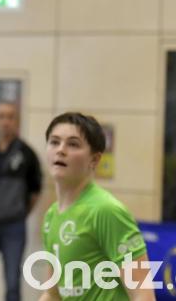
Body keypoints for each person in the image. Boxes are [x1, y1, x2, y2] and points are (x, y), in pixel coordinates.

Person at [38, 112, 155, 300]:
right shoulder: (51, 216)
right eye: (54, 142)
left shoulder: (106, 210)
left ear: (94, 159)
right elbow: (52, 294)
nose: (61, 150)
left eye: (73, 144)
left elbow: (143, 293)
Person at [0, 103, 42, 301]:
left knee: (12, 284)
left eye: (10, 117)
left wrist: (19, 212)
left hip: (13, 228)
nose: (5, 121)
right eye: (1, 116)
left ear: (16, 121)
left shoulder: (27, 154)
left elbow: (35, 191)